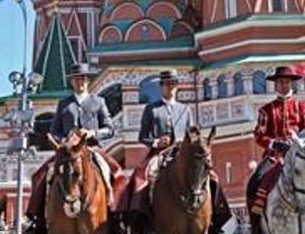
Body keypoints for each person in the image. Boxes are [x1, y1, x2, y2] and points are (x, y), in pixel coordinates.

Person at [124, 70, 231, 233]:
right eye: (167, 83)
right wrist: (156, 142)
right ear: (161, 86)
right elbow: (142, 136)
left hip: (184, 152)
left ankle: (216, 219)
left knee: (212, 177)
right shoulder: (151, 109)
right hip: (160, 152)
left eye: (173, 83)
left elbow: (194, 134)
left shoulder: (185, 109)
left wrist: (186, 142)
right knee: (141, 176)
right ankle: (139, 218)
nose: (170, 87)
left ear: (177, 87)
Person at [26, 63, 126, 234]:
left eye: (83, 78)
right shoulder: (63, 103)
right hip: (67, 151)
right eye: (77, 79)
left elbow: (110, 128)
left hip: (91, 148)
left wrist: (92, 132)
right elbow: (54, 131)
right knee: (42, 175)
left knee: (115, 173)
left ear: (88, 81)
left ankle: (115, 216)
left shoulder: (99, 101)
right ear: (72, 82)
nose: (80, 81)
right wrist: (64, 139)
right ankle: (38, 220)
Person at [246, 65, 305, 234]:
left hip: (300, 154)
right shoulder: (266, 110)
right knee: (254, 182)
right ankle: (256, 226)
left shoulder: (302, 107)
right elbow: (259, 134)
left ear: (291, 84)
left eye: (286, 82)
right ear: (275, 85)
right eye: (280, 82)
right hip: (276, 157)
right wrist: (274, 143)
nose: (283, 85)